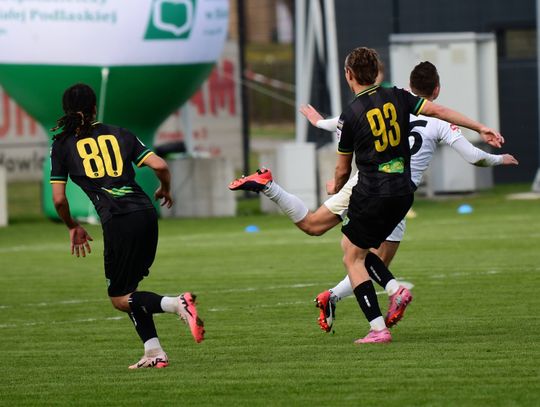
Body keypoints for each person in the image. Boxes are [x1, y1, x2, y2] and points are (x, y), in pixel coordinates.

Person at [231, 49, 507, 344]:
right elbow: (440, 113)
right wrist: (481, 127)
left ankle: (382, 313)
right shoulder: (399, 97)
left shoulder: (353, 113)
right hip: (402, 192)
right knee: (363, 254)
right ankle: (369, 296)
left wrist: (334, 181)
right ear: (377, 72)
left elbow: (342, 160)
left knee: (348, 251)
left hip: (368, 189)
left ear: (348, 74)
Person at [50, 83, 204, 369]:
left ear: (66, 110)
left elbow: (59, 200)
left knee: (120, 298)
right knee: (131, 292)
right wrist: (165, 189)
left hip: (118, 220)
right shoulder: (120, 133)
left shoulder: (61, 145)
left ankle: (175, 304)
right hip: (146, 213)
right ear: (94, 108)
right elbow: (160, 165)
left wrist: (72, 225)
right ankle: (154, 353)